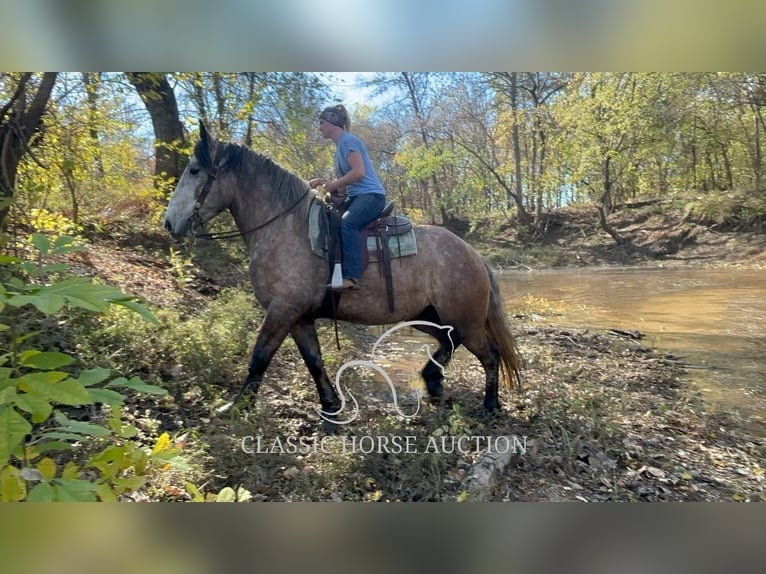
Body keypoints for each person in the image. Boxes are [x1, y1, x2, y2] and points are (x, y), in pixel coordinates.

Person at [308, 104, 386, 291]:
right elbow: (347, 182)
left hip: (371, 196)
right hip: (358, 197)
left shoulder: (347, 141)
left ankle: (351, 276)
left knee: (348, 223)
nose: (319, 128)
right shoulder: (340, 147)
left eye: (321, 123)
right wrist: (325, 183)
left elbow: (359, 172)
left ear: (332, 122)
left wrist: (333, 185)